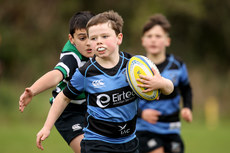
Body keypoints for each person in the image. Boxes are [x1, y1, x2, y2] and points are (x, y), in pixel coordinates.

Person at [36, 10, 174, 153]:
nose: (99, 41)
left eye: (104, 36)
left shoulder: (135, 65)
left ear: (118, 38)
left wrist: (160, 84)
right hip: (97, 143)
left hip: (129, 142)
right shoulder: (86, 72)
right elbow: (63, 98)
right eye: (93, 38)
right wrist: (46, 127)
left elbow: (169, 87)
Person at [19, 11, 94, 153]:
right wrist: (33, 90)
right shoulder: (72, 57)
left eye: (92, 37)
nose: (89, 43)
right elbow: (55, 76)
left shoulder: (100, 48)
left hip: (90, 107)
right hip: (67, 111)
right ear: (72, 39)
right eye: (83, 38)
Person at [136, 14, 193, 153]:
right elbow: (126, 97)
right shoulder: (136, 68)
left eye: (158, 36)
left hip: (171, 128)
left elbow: (186, 88)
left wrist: (187, 107)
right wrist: (141, 113)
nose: (153, 40)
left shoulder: (177, 65)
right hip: (145, 128)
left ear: (167, 41)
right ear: (143, 41)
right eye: (149, 36)